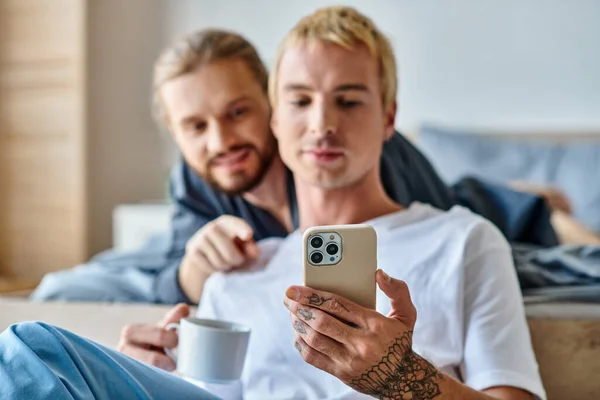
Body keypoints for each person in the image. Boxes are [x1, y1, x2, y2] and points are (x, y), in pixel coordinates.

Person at [2, 6, 545, 400]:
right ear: (275, 119)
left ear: (388, 119)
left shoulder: (464, 240)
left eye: (349, 100)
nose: (323, 123)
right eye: (300, 100)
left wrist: (404, 380)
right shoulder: (235, 273)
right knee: (28, 351)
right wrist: (143, 377)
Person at [30, 26, 564, 305]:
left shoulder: (352, 154)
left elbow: (429, 238)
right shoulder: (196, 182)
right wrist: (196, 266)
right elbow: (177, 278)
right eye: (195, 127)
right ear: (175, 133)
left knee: (527, 219)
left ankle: (539, 200)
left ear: (271, 105)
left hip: (453, 199)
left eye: (238, 113)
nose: (222, 140)